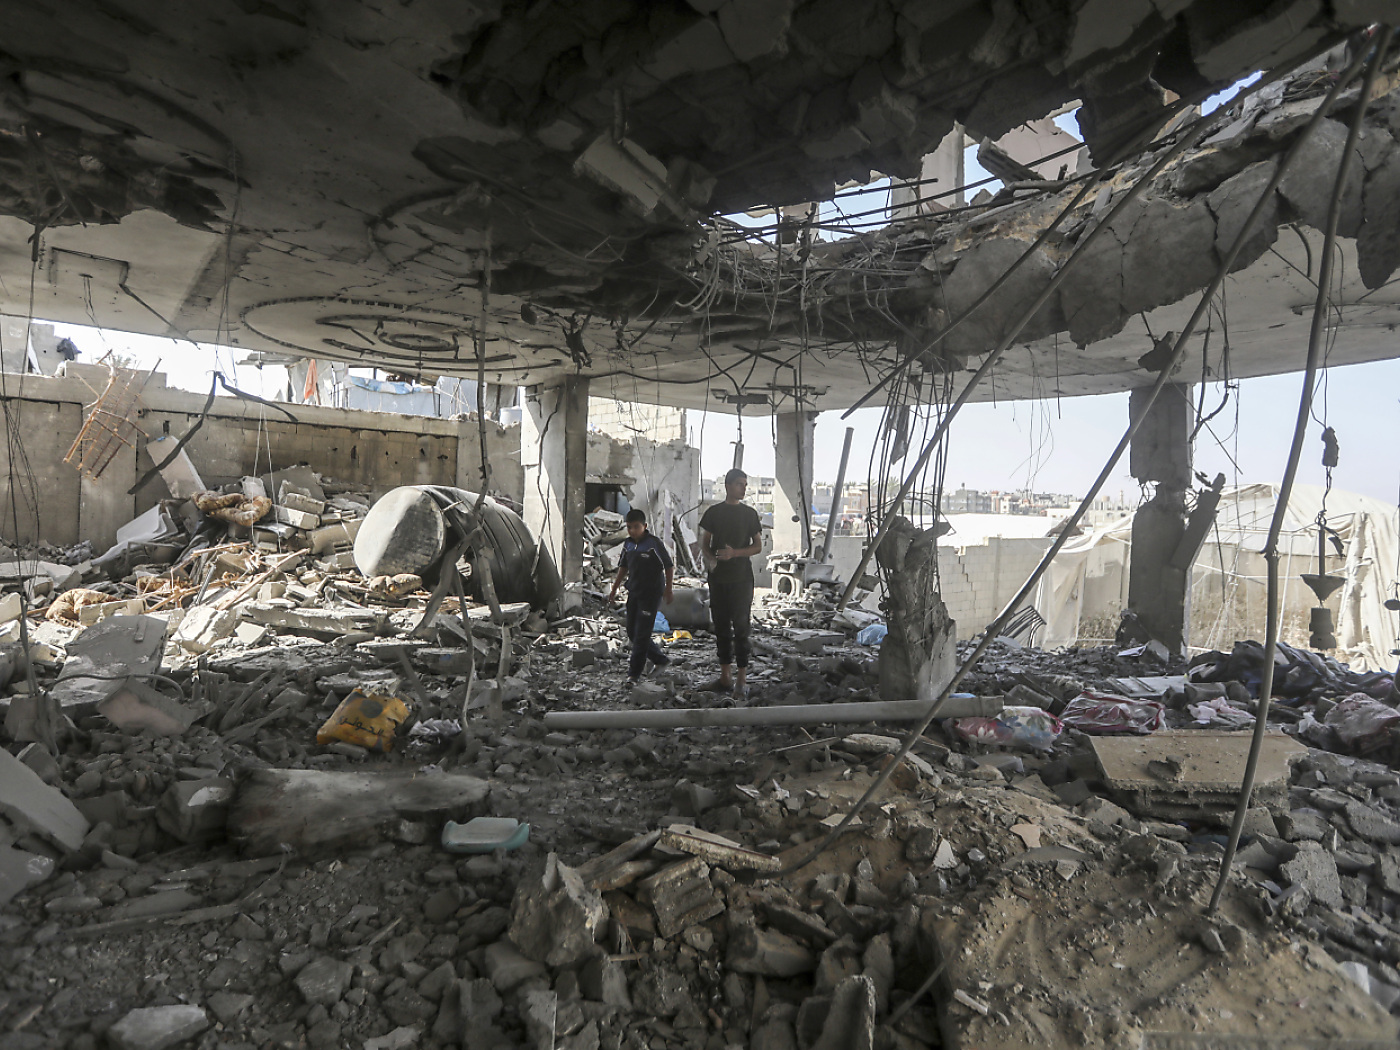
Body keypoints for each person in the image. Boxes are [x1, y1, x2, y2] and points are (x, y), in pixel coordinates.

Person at [698, 468, 763, 697]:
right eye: (739, 484)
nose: (743, 488)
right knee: (721, 627)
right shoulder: (714, 513)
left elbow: (758, 546)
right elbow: (704, 543)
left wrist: (735, 553)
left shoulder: (749, 514)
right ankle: (725, 677)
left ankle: (741, 680)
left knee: (742, 628)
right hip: (718, 579)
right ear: (728, 486)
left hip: (741, 579)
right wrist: (712, 560)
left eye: (745, 484)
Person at [607, 508, 674, 683]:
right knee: (632, 631)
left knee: (643, 633)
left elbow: (668, 566)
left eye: (636, 527)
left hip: (651, 594)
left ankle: (634, 674)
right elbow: (623, 567)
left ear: (644, 526)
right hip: (634, 591)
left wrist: (668, 589)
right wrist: (614, 589)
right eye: (629, 527)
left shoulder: (653, 544)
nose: (632, 530)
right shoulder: (628, 544)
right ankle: (660, 659)